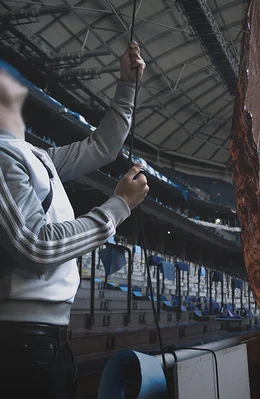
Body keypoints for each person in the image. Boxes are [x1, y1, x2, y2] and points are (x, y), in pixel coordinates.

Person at [0, 43, 147, 398]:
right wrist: (118, 206)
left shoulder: (37, 156)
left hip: (50, 339)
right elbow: (36, 245)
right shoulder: (3, 155)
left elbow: (102, 147)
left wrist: (127, 86)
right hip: (23, 341)